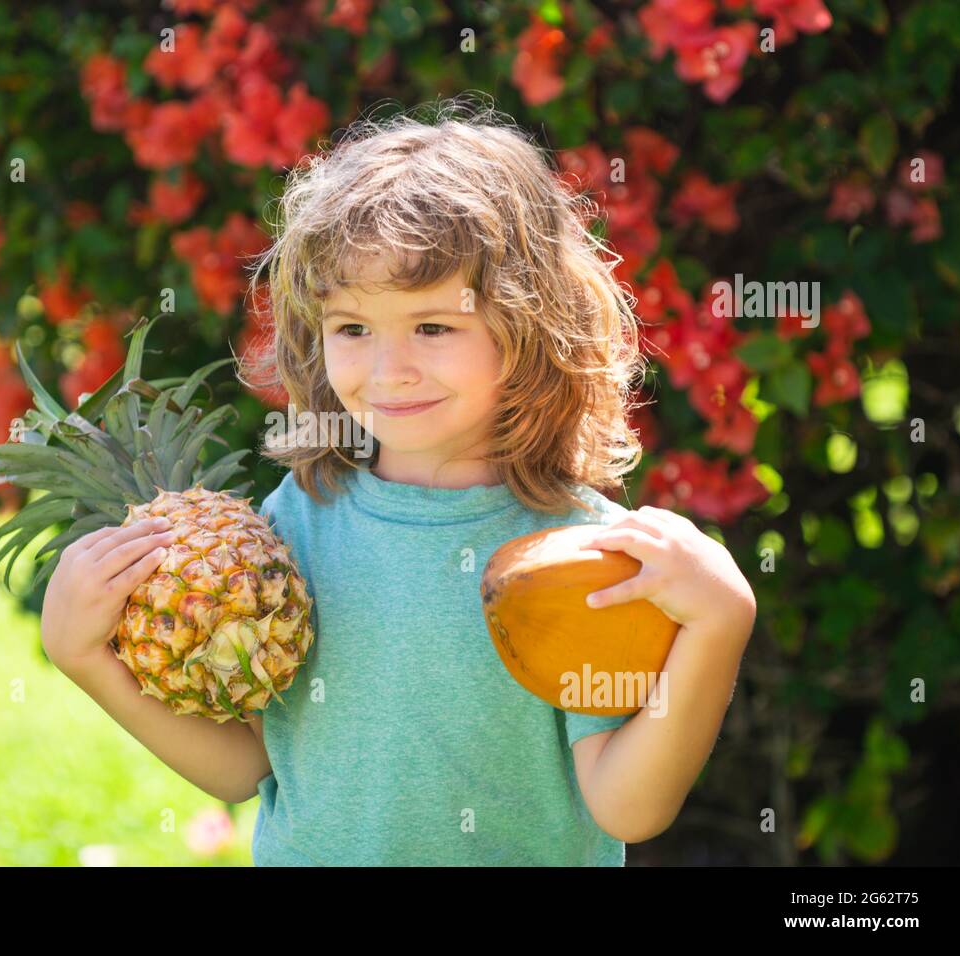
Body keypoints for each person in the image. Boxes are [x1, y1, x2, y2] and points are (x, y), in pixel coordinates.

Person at [43, 96, 757, 865]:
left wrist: (720, 622)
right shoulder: (299, 518)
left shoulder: (576, 553)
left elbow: (628, 805)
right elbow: (249, 762)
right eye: (352, 328)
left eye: (433, 326)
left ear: (528, 329)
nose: (389, 370)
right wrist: (86, 658)